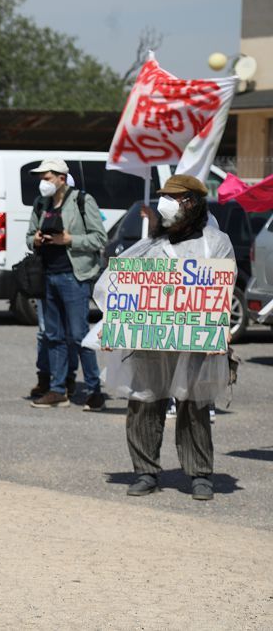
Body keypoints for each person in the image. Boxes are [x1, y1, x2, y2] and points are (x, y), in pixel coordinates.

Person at [95, 175, 234, 501]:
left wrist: (221, 327)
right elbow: (116, 289)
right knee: (144, 402)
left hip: (194, 342)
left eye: (175, 197)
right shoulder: (149, 246)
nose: (166, 204)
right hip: (150, 342)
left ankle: (200, 473)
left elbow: (222, 292)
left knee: (195, 405)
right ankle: (145, 471)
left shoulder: (216, 243)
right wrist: (113, 325)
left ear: (193, 203)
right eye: (164, 197)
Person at [25, 159, 107, 411]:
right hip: (48, 276)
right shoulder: (41, 204)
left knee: (79, 335)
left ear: (61, 178)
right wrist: (36, 240)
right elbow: (29, 237)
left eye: (47, 177)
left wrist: (70, 240)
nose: (43, 183)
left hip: (75, 277)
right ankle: (58, 389)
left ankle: (94, 390)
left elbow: (99, 238)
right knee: (53, 336)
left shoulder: (82, 200)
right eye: (41, 178)